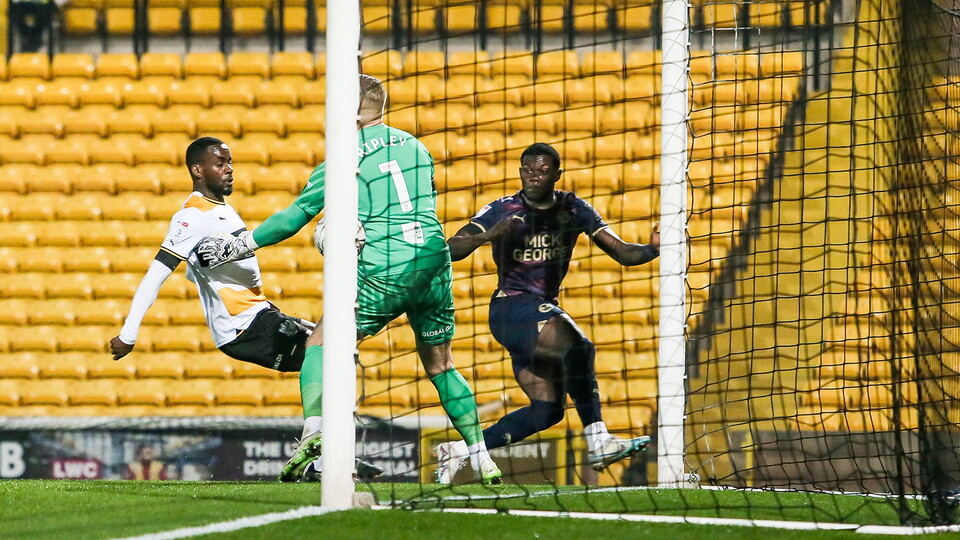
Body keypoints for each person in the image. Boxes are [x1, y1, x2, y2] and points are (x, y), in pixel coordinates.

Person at [194, 74, 503, 485]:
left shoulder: (345, 155)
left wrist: (241, 243)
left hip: (387, 263)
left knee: (320, 341)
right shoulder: (416, 145)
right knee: (442, 363)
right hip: (434, 259)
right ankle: (481, 456)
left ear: (351, 108)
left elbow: (294, 218)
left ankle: (314, 433)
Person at [108, 137, 381, 483]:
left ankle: (331, 456)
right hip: (243, 328)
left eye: (230, 162)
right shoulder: (191, 217)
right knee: (333, 355)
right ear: (197, 170)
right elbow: (156, 274)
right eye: (220, 163)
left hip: (260, 315)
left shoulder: (220, 209)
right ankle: (327, 458)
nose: (229, 169)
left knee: (339, 358)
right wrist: (129, 333)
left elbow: (201, 270)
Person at [436, 142, 659, 484]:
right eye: (528, 170)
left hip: (537, 313)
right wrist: (492, 234)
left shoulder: (574, 208)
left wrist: (655, 248)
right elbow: (450, 249)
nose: (534, 177)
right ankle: (598, 439)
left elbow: (622, 253)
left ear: (557, 174)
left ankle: (459, 451)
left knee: (548, 410)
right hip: (510, 308)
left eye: (542, 171)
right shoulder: (502, 209)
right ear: (520, 171)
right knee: (579, 347)